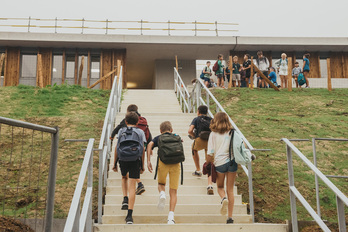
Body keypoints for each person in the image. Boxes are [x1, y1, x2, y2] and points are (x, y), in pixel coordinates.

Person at [147, 121, 184, 224]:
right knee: (173, 191)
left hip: (163, 163)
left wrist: (148, 160)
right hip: (176, 165)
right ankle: (171, 217)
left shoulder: (159, 138)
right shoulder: (176, 136)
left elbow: (150, 144)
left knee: (161, 184)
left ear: (160, 131)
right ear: (171, 130)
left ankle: (162, 193)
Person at [110, 104, 151, 195]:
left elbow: (117, 133)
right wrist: (149, 146)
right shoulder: (142, 121)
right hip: (137, 152)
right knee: (133, 172)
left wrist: (112, 135)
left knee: (125, 176)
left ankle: (126, 198)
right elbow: (148, 133)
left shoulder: (124, 125)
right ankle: (139, 185)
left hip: (124, 153)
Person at [113, 112, 146, 224]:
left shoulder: (121, 131)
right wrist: (142, 165)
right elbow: (142, 149)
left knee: (124, 177)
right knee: (132, 185)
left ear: (126, 122)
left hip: (123, 159)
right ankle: (129, 216)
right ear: (137, 122)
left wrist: (114, 164)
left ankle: (125, 198)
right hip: (135, 159)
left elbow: (117, 148)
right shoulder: (140, 131)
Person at [206, 112, 237, 224]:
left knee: (220, 187)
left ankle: (223, 198)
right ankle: (230, 217)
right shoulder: (232, 132)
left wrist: (208, 162)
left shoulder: (213, 134)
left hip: (219, 163)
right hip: (232, 162)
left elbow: (210, 153)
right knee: (231, 190)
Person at [188, 105, 213, 195]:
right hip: (210, 140)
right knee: (209, 162)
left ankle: (198, 170)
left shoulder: (196, 119)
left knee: (193, 149)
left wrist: (195, 136)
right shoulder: (211, 119)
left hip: (200, 139)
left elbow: (190, 130)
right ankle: (210, 184)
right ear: (207, 112)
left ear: (198, 111)